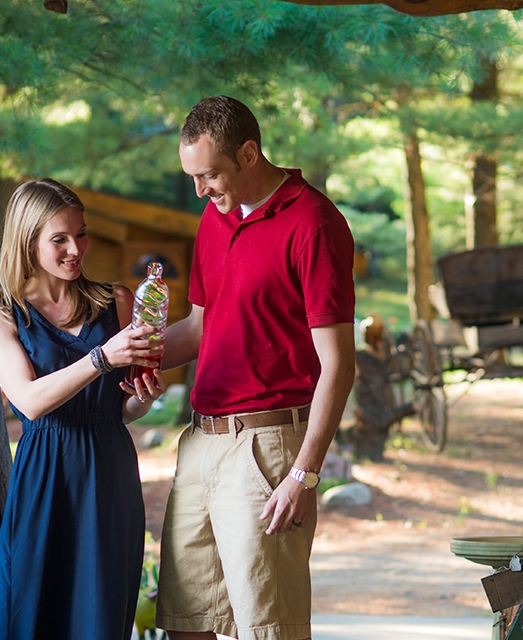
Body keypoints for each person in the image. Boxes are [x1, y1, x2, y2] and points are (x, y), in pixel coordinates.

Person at [156, 95, 357, 640]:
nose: (201, 190)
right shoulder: (214, 217)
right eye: (193, 177)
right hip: (201, 442)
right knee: (183, 621)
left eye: (210, 174)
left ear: (249, 153)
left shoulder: (313, 223)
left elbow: (338, 364)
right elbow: (200, 326)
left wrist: (304, 473)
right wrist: (130, 355)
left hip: (268, 448)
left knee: (268, 629)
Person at [0, 178, 165, 640]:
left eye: (80, 234)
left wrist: (145, 393)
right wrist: (101, 358)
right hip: (45, 475)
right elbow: (30, 401)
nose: (75, 248)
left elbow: (121, 410)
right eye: (58, 238)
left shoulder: (117, 302)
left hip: (109, 472)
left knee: (98, 613)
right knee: (27, 608)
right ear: (27, 241)